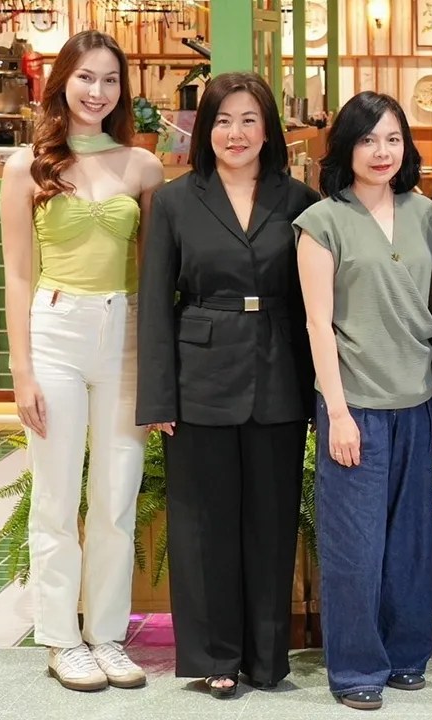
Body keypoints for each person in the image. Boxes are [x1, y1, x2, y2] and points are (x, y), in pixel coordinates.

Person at [136, 72, 320, 698]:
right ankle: (216, 655)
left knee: (272, 522)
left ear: (268, 129)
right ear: (203, 129)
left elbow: (316, 302)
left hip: (280, 373)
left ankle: (267, 658)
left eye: (248, 120)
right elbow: (155, 302)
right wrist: (158, 397)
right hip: (199, 378)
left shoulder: (299, 200)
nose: (235, 133)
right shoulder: (175, 201)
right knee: (204, 524)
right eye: (221, 120)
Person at [0, 29, 163, 693]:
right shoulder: (26, 167)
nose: (98, 91)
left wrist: (158, 369)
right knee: (56, 495)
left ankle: (106, 634)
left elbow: (155, 275)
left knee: (117, 496)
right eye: (86, 77)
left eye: (111, 80)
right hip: (55, 331)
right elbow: (17, 274)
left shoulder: (143, 167)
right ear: (62, 81)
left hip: (125, 333)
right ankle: (61, 639)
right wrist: (22, 373)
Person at [295, 91, 432, 711]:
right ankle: (357, 667)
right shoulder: (321, 222)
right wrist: (336, 413)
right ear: (345, 147)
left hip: (418, 401)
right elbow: (318, 325)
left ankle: (407, 653)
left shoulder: (430, 216)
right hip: (354, 403)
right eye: (367, 139)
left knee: (411, 540)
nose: (381, 151)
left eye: (393, 138)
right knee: (354, 545)